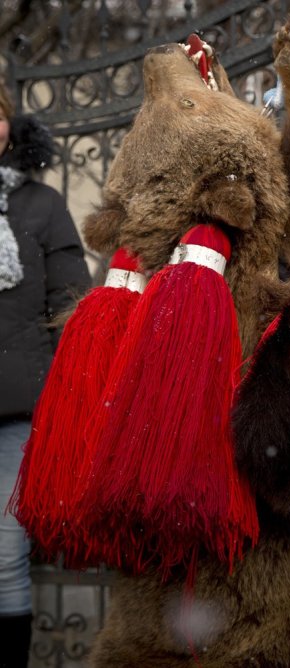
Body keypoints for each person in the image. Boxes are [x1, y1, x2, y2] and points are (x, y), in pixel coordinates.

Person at [0, 82, 91, 667]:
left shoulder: (40, 204)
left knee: (5, 557)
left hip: (17, 409)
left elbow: (72, 305)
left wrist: (64, 399)